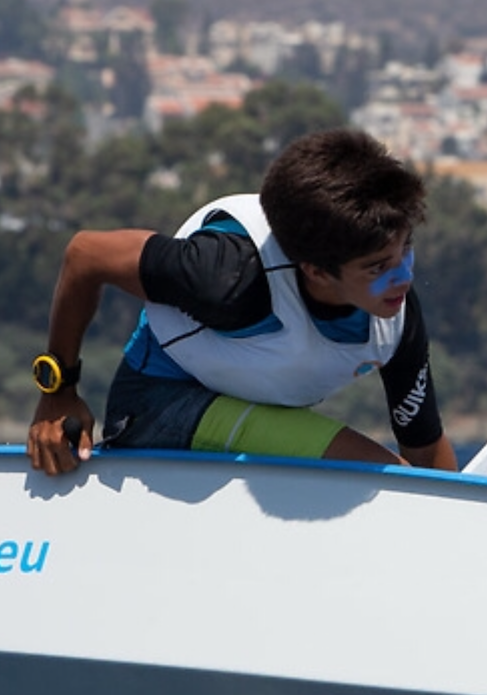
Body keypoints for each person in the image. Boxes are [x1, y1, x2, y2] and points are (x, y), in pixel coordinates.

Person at [26, 127, 458, 476]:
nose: (404, 275)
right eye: (378, 266)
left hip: (257, 414)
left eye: (407, 248)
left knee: (403, 479)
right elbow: (86, 255)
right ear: (317, 271)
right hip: (157, 406)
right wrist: (58, 392)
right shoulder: (226, 275)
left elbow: (424, 446)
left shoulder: (396, 314)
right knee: (379, 476)